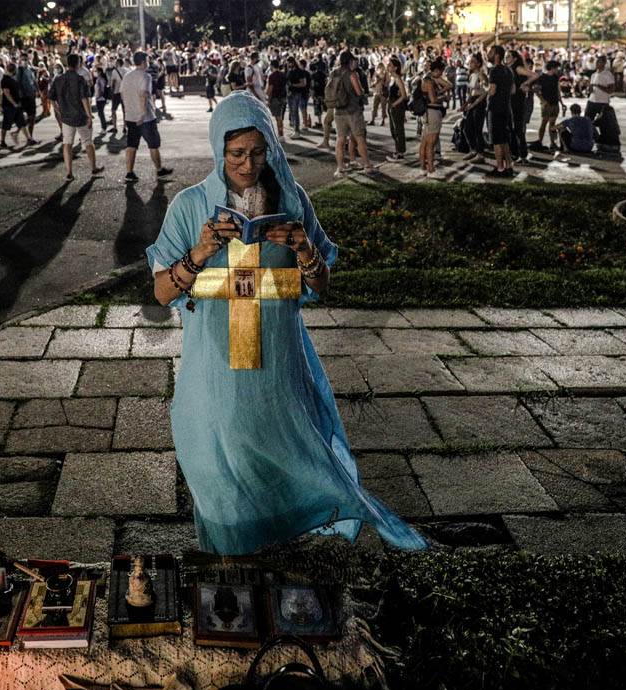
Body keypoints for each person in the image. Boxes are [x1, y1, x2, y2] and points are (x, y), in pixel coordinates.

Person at [144, 89, 431, 557]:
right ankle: (232, 554)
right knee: (219, 458)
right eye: (236, 153)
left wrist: (303, 250)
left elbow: (321, 285)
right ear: (219, 148)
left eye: (258, 152)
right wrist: (199, 253)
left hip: (278, 361)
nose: (247, 163)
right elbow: (160, 293)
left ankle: (280, 543)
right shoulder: (191, 205)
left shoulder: (291, 198)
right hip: (217, 366)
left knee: (287, 452)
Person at [119, 50, 174, 183]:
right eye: (147, 60)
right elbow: (143, 94)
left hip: (131, 116)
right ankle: (159, 170)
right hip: (146, 118)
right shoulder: (145, 76)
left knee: (132, 144)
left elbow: (122, 94)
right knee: (153, 144)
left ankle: (129, 172)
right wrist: (143, 113)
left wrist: (127, 113)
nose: (148, 63)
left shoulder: (127, 76)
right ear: (143, 62)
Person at [50, 53, 102, 182]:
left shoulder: (58, 79)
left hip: (66, 117)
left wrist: (59, 110)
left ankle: (69, 172)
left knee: (67, 143)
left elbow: (52, 98)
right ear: (78, 64)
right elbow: (84, 99)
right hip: (80, 116)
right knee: (88, 142)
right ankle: (93, 168)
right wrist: (89, 115)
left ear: (67, 64)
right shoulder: (80, 79)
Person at [332, 51, 375, 177]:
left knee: (340, 139)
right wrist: (363, 92)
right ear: (350, 61)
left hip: (338, 111)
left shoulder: (333, 73)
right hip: (353, 111)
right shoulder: (352, 74)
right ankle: (367, 165)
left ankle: (340, 167)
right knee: (359, 137)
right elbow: (358, 92)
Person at [419, 57, 450, 176]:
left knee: (425, 142)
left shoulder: (429, 78)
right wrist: (443, 97)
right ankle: (431, 170)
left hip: (428, 113)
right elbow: (433, 99)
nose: (442, 74)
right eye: (441, 71)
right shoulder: (429, 81)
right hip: (432, 112)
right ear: (436, 70)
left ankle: (423, 167)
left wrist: (440, 87)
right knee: (431, 143)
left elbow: (448, 85)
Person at [486, 45, 514, 177]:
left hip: (495, 108)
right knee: (505, 139)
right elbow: (513, 90)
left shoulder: (494, 70)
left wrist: (486, 89)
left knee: (497, 140)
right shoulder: (508, 71)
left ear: (497, 55)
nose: (488, 54)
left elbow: (492, 90)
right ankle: (509, 165)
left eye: (491, 52)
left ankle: (500, 168)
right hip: (506, 108)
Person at [530, 60, 564, 151]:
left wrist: (561, 102)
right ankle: (540, 142)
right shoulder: (542, 77)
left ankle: (552, 143)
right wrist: (543, 100)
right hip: (547, 104)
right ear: (552, 68)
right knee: (544, 123)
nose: (558, 70)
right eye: (557, 68)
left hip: (555, 103)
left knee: (552, 124)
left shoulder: (555, 77)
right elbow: (535, 90)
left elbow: (557, 90)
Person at [460, 52, 487, 162]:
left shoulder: (481, 74)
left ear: (479, 64)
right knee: (467, 128)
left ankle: (480, 154)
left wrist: (474, 104)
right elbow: (470, 92)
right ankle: (473, 150)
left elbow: (486, 91)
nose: (470, 63)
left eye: (473, 62)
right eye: (470, 61)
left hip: (479, 102)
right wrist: (465, 104)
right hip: (472, 101)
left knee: (477, 129)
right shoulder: (471, 75)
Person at [0, 62, 32, 150]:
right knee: (6, 124)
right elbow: (7, 93)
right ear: (13, 70)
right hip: (9, 105)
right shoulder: (5, 79)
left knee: (21, 122)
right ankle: (2, 141)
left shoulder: (11, 79)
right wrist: (14, 103)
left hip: (16, 104)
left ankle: (29, 139)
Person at [386, 56, 408, 160]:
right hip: (391, 104)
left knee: (398, 129)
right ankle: (397, 150)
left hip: (397, 106)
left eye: (390, 65)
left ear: (395, 68)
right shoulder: (391, 78)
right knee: (393, 129)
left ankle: (400, 152)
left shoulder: (398, 79)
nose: (388, 67)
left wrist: (394, 104)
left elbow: (404, 95)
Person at [16, 53, 39, 142]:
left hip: (31, 96)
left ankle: (30, 136)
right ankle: (27, 136)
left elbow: (34, 81)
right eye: (23, 59)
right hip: (23, 97)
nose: (25, 61)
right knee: (23, 118)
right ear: (20, 60)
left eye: (26, 59)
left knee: (32, 117)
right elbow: (17, 84)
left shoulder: (30, 70)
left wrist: (37, 90)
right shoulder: (19, 70)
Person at [585, 55, 614, 120]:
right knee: (587, 121)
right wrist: (589, 87)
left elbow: (611, 90)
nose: (596, 63)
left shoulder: (608, 74)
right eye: (596, 61)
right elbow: (591, 91)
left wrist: (598, 86)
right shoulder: (593, 75)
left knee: (604, 125)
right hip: (591, 101)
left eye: (599, 61)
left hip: (603, 102)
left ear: (604, 63)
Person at [286, 57, 309, 138]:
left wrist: (292, 85)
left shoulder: (299, 71)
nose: (288, 64)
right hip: (290, 93)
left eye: (289, 63)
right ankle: (295, 130)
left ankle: (297, 131)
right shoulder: (290, 71)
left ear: (292, 62)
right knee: (292, 112)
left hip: (296, 93)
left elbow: (303, 83)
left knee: (295, 112)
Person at [265, 57, 287, 139]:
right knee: (281, 117)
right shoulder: (283, 74)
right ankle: (281, 134)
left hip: (275, 98)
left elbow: (270, 88)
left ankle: (281, 135)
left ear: (272, 66)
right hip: (283, 97)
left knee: (278, 118)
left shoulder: (272, 76)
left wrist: (267, 97)